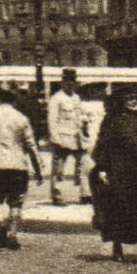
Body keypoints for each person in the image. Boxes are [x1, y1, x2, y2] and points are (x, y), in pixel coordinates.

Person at [0, 84, 43, 250]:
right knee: (16, 201)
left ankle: (1, 221)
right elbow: (31, 146)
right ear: (15, 99)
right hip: (17, 165)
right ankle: (12, 234)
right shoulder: (21, 118)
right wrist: (38, 169)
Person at [89, 85, 137, 262]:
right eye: (129, 99)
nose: (133, 102)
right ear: (121, 101)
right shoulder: (112, 119)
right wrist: (102, 167)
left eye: (135, 98)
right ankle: (117, 247)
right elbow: (103, 145)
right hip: (118, 167)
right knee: (119, 208)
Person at [47, 69, 89, 205]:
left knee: (83, 166)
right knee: (59, 169)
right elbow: (52, 120)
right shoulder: (56, 99)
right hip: (62, 138)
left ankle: (85, 194)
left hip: (77, 138)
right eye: (67, 82)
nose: (70, 84)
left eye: (72, 82)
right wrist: (55, 138)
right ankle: (57, 195)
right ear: (62, 82)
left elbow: (79, 116)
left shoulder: (76, 98)